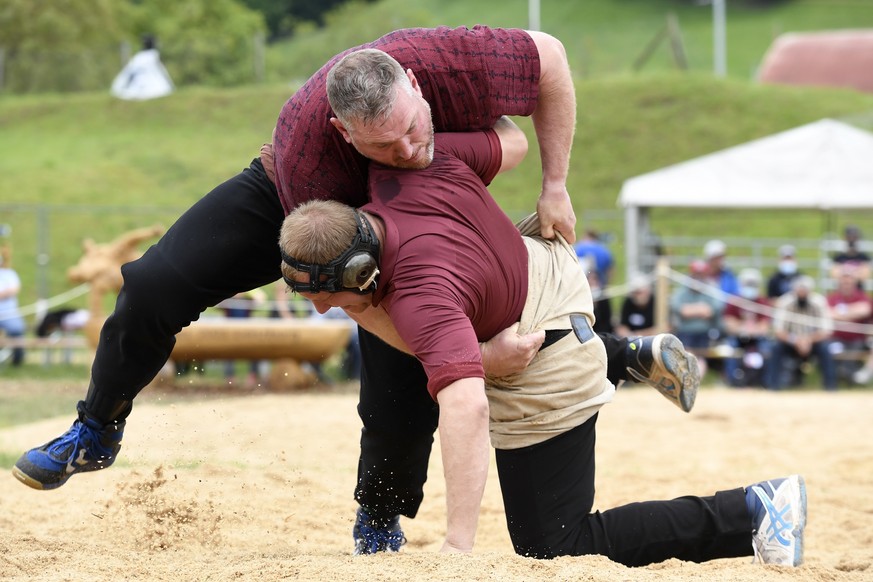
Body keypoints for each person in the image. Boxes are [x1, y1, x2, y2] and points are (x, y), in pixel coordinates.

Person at [13, 27, 699, 554]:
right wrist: (466, 360)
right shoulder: (309, 151)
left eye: (413, 128)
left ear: (418, 88)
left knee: (413, 368)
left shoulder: (448, 66)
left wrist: (554, 181)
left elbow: (548, 59)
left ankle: (380, 517)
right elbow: (353, 301)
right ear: (344, 132)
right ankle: (96, 428)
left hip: (406, 214)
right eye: (385, 145)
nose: (409, 147)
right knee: (155, 283)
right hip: (309, 213)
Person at [277, 122, 804, 566]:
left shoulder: (421, 298)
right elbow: (511, 137)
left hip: (544, 354)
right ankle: (625, 354)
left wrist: (457, 549)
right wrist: (549, 181)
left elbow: (466, 404)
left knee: (553, 544)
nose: (324, 309)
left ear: (361, 268)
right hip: (543, 265)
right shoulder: (407, 162)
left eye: (331, 296)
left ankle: (754, 510)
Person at [771, 275, 837, 390]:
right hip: (790, 342)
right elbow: (778, 330)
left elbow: (826, 330)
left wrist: (808, 340)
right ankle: (773, 386)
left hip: (813, 342)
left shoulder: (819, 302)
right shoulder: (785, 302)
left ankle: (830, 387)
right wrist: (795, 340)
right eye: (799, 290)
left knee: (825, 349)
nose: (802, 293)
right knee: (776, 348)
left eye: (804, 291)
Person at [670, 260, 724, 377]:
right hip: (685, 332)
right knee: (685, 351)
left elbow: (712, 310)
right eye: (696, 274)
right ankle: (687, 376)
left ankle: (697, 377)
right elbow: (680, 309)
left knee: (702, 354)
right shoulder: (682, 291)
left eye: (701, 274)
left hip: (706, 333)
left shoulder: (711, 290)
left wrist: (691, 310)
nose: (698, 278)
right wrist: (700, 309)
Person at [721, 268, 774, 388]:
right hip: (738, 336)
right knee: (730, 349)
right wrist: (743, 328)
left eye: (753, 284)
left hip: (757, 337)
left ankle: (766, 381)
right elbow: (729, 323)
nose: (750, 287)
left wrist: (751, 329)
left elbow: (765, 326)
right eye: (748, 284)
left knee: (767, 349)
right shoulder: (734, 301)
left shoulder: (762, 302)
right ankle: (732, 381)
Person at [826, 265, 872, 383]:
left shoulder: (862, 297)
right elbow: (826, 313)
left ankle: (857, 377)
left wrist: (840, 314)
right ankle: (831, 383)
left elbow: (865, 310)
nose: (846, 282)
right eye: (844, 278)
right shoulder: (832, 298)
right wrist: (852, 313)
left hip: (858, 340)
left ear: (854, 281)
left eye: (849, 278)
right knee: (829, 349)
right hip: (836, 339)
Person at [0, 250, 26, 366]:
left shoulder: (10, 274)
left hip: (10, 314)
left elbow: (14, 289)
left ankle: (17, 360)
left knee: (17, 330)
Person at [615, 273, 658, 338]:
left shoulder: (656, 303)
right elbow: (621, 326)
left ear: (647, 291)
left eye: (640, 293)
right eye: (635, 293)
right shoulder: (628, 302)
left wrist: (638, 334)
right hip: (631, 339)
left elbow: (663, 328)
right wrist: (629, 335)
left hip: (651, 339)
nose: (637, 296)